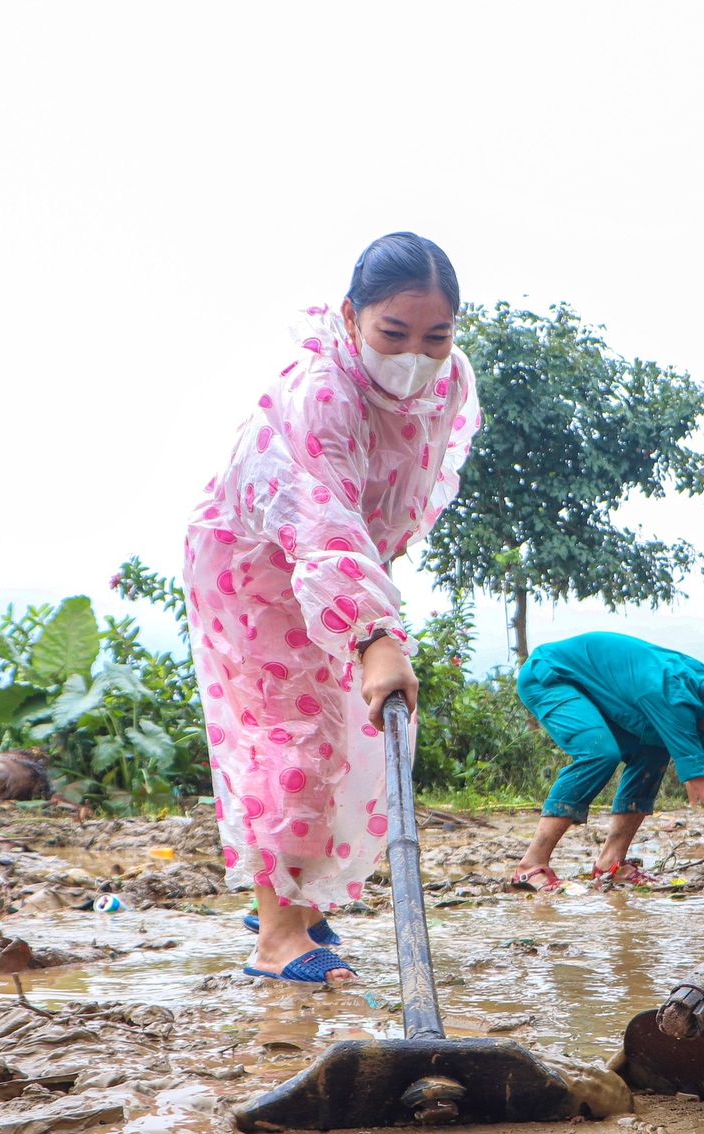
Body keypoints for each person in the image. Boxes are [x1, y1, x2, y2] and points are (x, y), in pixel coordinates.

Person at [184, 233, 479, 984]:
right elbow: (320, 519)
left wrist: (371, 595)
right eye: (394, 333)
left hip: (344, 569)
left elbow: (412, 478)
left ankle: (297, 904)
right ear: (351, 317)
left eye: (435, 337)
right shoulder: (321, 391)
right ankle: (277, 937)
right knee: (295, 735)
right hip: (257, 565)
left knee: (342, 732)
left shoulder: (447, 381)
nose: (415, 354)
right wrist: (375, 632)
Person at [507, 633, 704, 888]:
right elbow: (703, 784)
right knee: (599, 753)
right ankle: (531, 866)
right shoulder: (671, 695)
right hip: (552, 676)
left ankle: (611, 864)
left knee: (654, 749)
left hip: (598, 690)